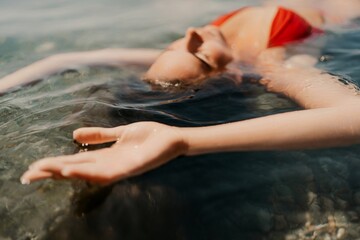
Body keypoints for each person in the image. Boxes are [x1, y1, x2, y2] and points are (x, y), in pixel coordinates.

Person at [0, 0, 358, 185]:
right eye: (201, 56)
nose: (192, 34)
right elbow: (353, 116)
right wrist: (185, 141)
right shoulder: (270, 69)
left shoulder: (182, 54)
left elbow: (69, 58)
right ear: (230, 78)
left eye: (172, 48)